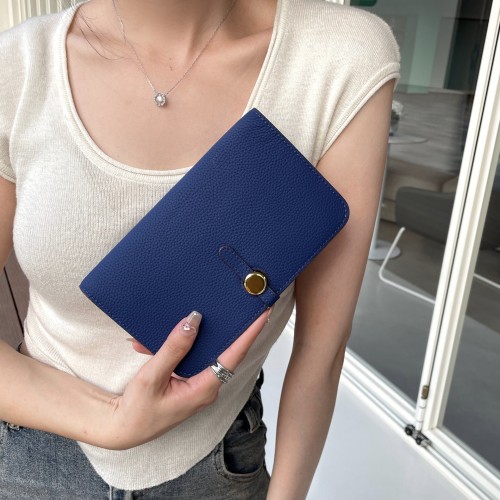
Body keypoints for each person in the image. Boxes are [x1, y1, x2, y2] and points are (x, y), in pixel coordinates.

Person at [0, 0, 400, 498]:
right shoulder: (18, 65)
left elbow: (322, 350)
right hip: (36, 450)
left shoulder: (337, 57)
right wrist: (112, 421)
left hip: (215, 461)